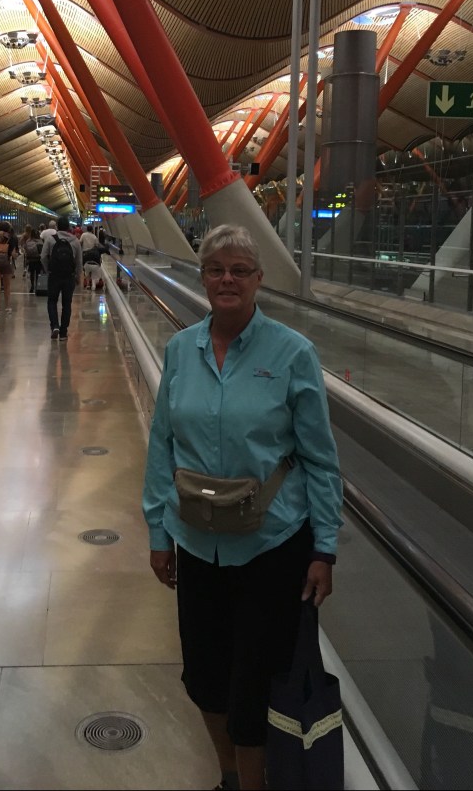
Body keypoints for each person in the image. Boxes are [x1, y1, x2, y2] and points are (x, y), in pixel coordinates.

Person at [142, 224, 342, 791]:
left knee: (255, 680)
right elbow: (162, 445)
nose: (226, 279)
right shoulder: (182, 350)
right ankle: (229, 775)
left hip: (271, 546)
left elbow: (320, 458)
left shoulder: (293, 353)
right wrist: (157, 531)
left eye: (239, 270)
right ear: (203, 278)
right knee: (205, 675)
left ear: (258, 279)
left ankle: (252, 785)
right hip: (197, 541)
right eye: (215, 269)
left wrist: (324, 547)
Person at [41, 215, 82, 341]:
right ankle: (63, 333)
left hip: (54, 275)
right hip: (69, 276)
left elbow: (43, 257)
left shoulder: (50, 239)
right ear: (69, 227)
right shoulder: (75, 241)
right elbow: (79, 261)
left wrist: (48, 270)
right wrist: (77, 275)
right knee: (67, 304)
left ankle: (54, 326)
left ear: (57, 227)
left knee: (52, 301)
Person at [23, 227, 43, 293]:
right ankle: (37, 286)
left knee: (32, 273)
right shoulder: (40, 241)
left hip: (30, 260)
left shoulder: (28, 241)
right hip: (38, 259)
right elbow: (42, 251)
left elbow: (25, 248)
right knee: (37, 273)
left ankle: (32, 286)